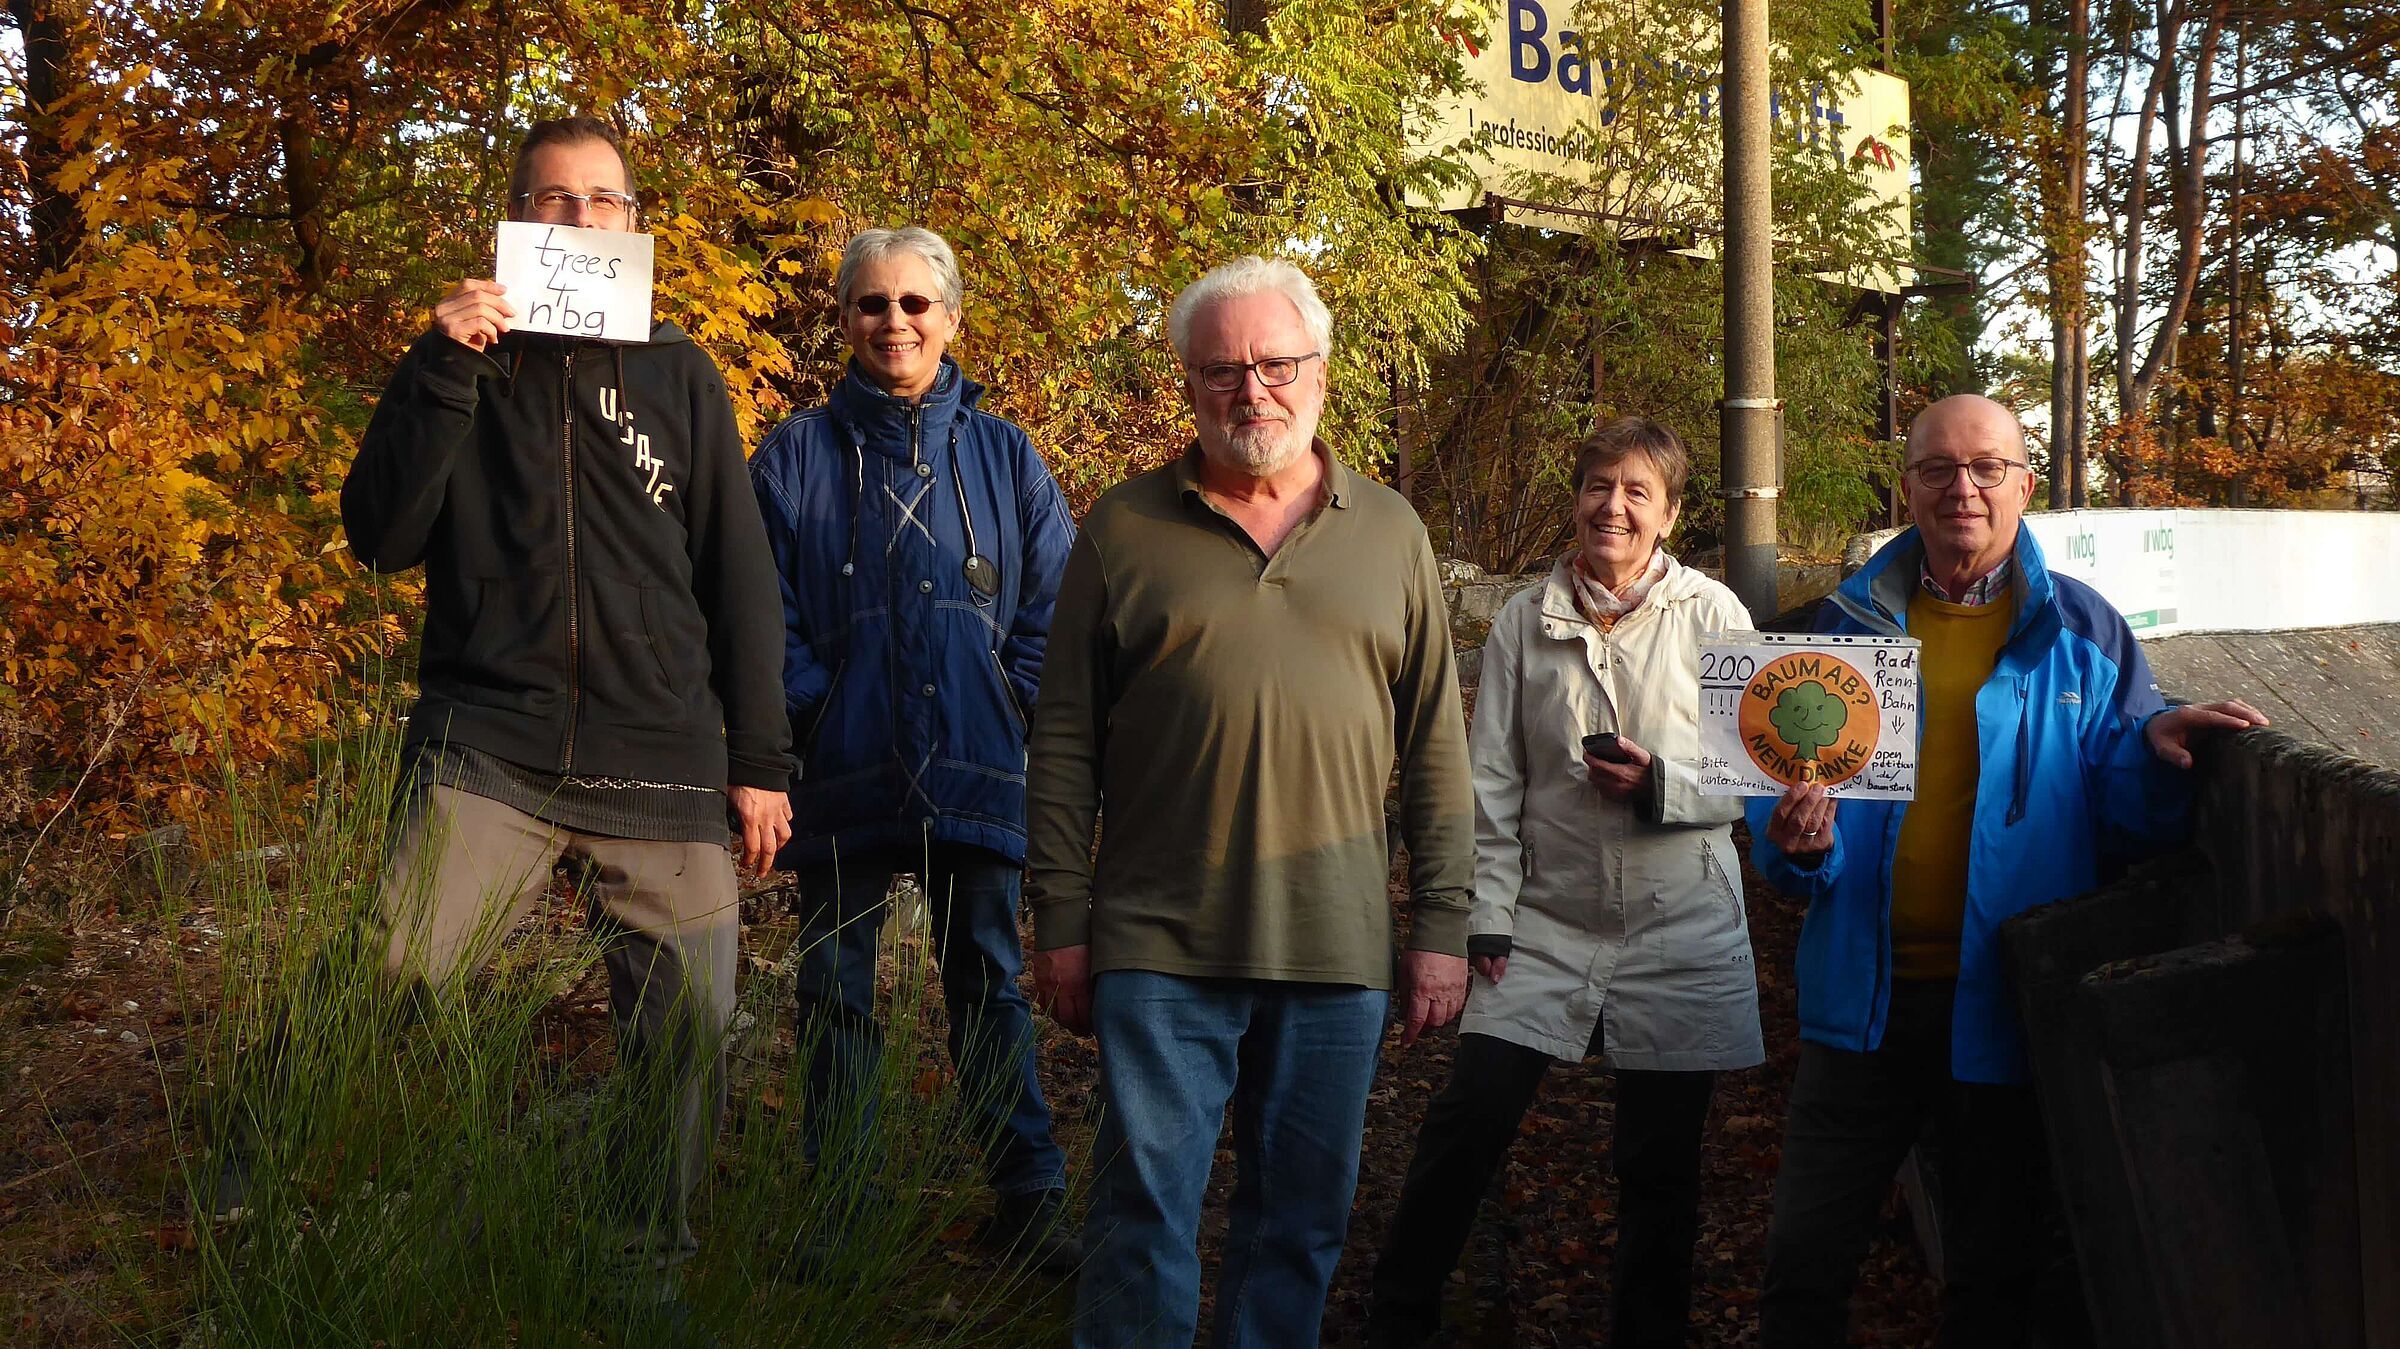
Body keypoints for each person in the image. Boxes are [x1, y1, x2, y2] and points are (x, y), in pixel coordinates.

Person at [329, 116, 793, 1316]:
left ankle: (645, 1260)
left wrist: (759, 761)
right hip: (493, 740)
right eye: (553, 199)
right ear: (516, 218)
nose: (579, 219)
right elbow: (379, 538)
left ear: (633, 224)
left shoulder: (683, 371)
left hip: (664, 753)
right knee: (393, 966)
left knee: (687, 1032)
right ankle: (313, 1176)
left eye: (603, 201)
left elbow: (737, 575)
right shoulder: (458, 362)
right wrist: (445, 368)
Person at [1747, 393, 2270, 1347]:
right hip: (1859, 1005)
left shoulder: (2084, 629)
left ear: (2027, 483)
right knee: (1802, 1266)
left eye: (1988, 467)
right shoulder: (1832, 630)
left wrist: (2157, 744)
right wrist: (1800, 848)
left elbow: (2125, 819)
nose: (1963, 489)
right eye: (1939, 469)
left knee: (1992, 1278)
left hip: (2004, 1002)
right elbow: (1778, 835)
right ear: (1906, 486)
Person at [1022, 255, 1477, 1348]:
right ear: (1188, 382)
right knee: (1143, 1213)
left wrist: (1443, 928)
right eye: (1222, 368)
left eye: (1276, 363)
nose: (1251, 389)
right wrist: (1064, 922)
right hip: (1157, 942)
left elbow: (1435, 748)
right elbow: (1065, 740)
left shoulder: (1392, 533)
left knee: (1303, 1221)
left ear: (1319, 373)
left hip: (1337, 947)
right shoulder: (1124, 528)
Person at [1367, 416, 1764, 1349]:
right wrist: (1486, 918)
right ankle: (1397, 1315)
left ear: (1668, 514)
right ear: (1576, 497)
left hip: (1683, 924)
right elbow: (1492, 780)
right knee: (1469, 1118)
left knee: (1659, 1164)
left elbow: (1751, 773)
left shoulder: (1715, 615)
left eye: (1636, 492)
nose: (1612, 507)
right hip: (1545, 916)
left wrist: (1661, 784)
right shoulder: (1522, 617)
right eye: (1598, 486)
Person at [747, 227, 1078, 1270]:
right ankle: (841, 1208)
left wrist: (1010, 702)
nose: (894, 321)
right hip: (839, 760)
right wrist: (812, 702)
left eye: (914, 304)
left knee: (986, 980)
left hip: (978, 756)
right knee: (835, 991)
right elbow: (761, 606)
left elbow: (1055, 606)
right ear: (842, 318)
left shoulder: (1004, 452)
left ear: (951, 316)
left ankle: (1028, 1203)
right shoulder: (796, 453)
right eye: (871, 304)